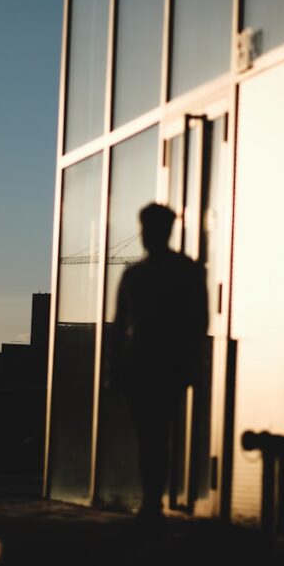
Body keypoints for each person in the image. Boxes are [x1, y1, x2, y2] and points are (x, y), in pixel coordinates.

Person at [110, 202, 208, 523]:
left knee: (150, 434)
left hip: (149, 365)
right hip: (163, 365)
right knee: (155, 434)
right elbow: (198, 323)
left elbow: (119, 326)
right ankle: (153, 501)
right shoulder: (188, 272)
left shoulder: (137, 275)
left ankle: (152, 502)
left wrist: (115, 370)